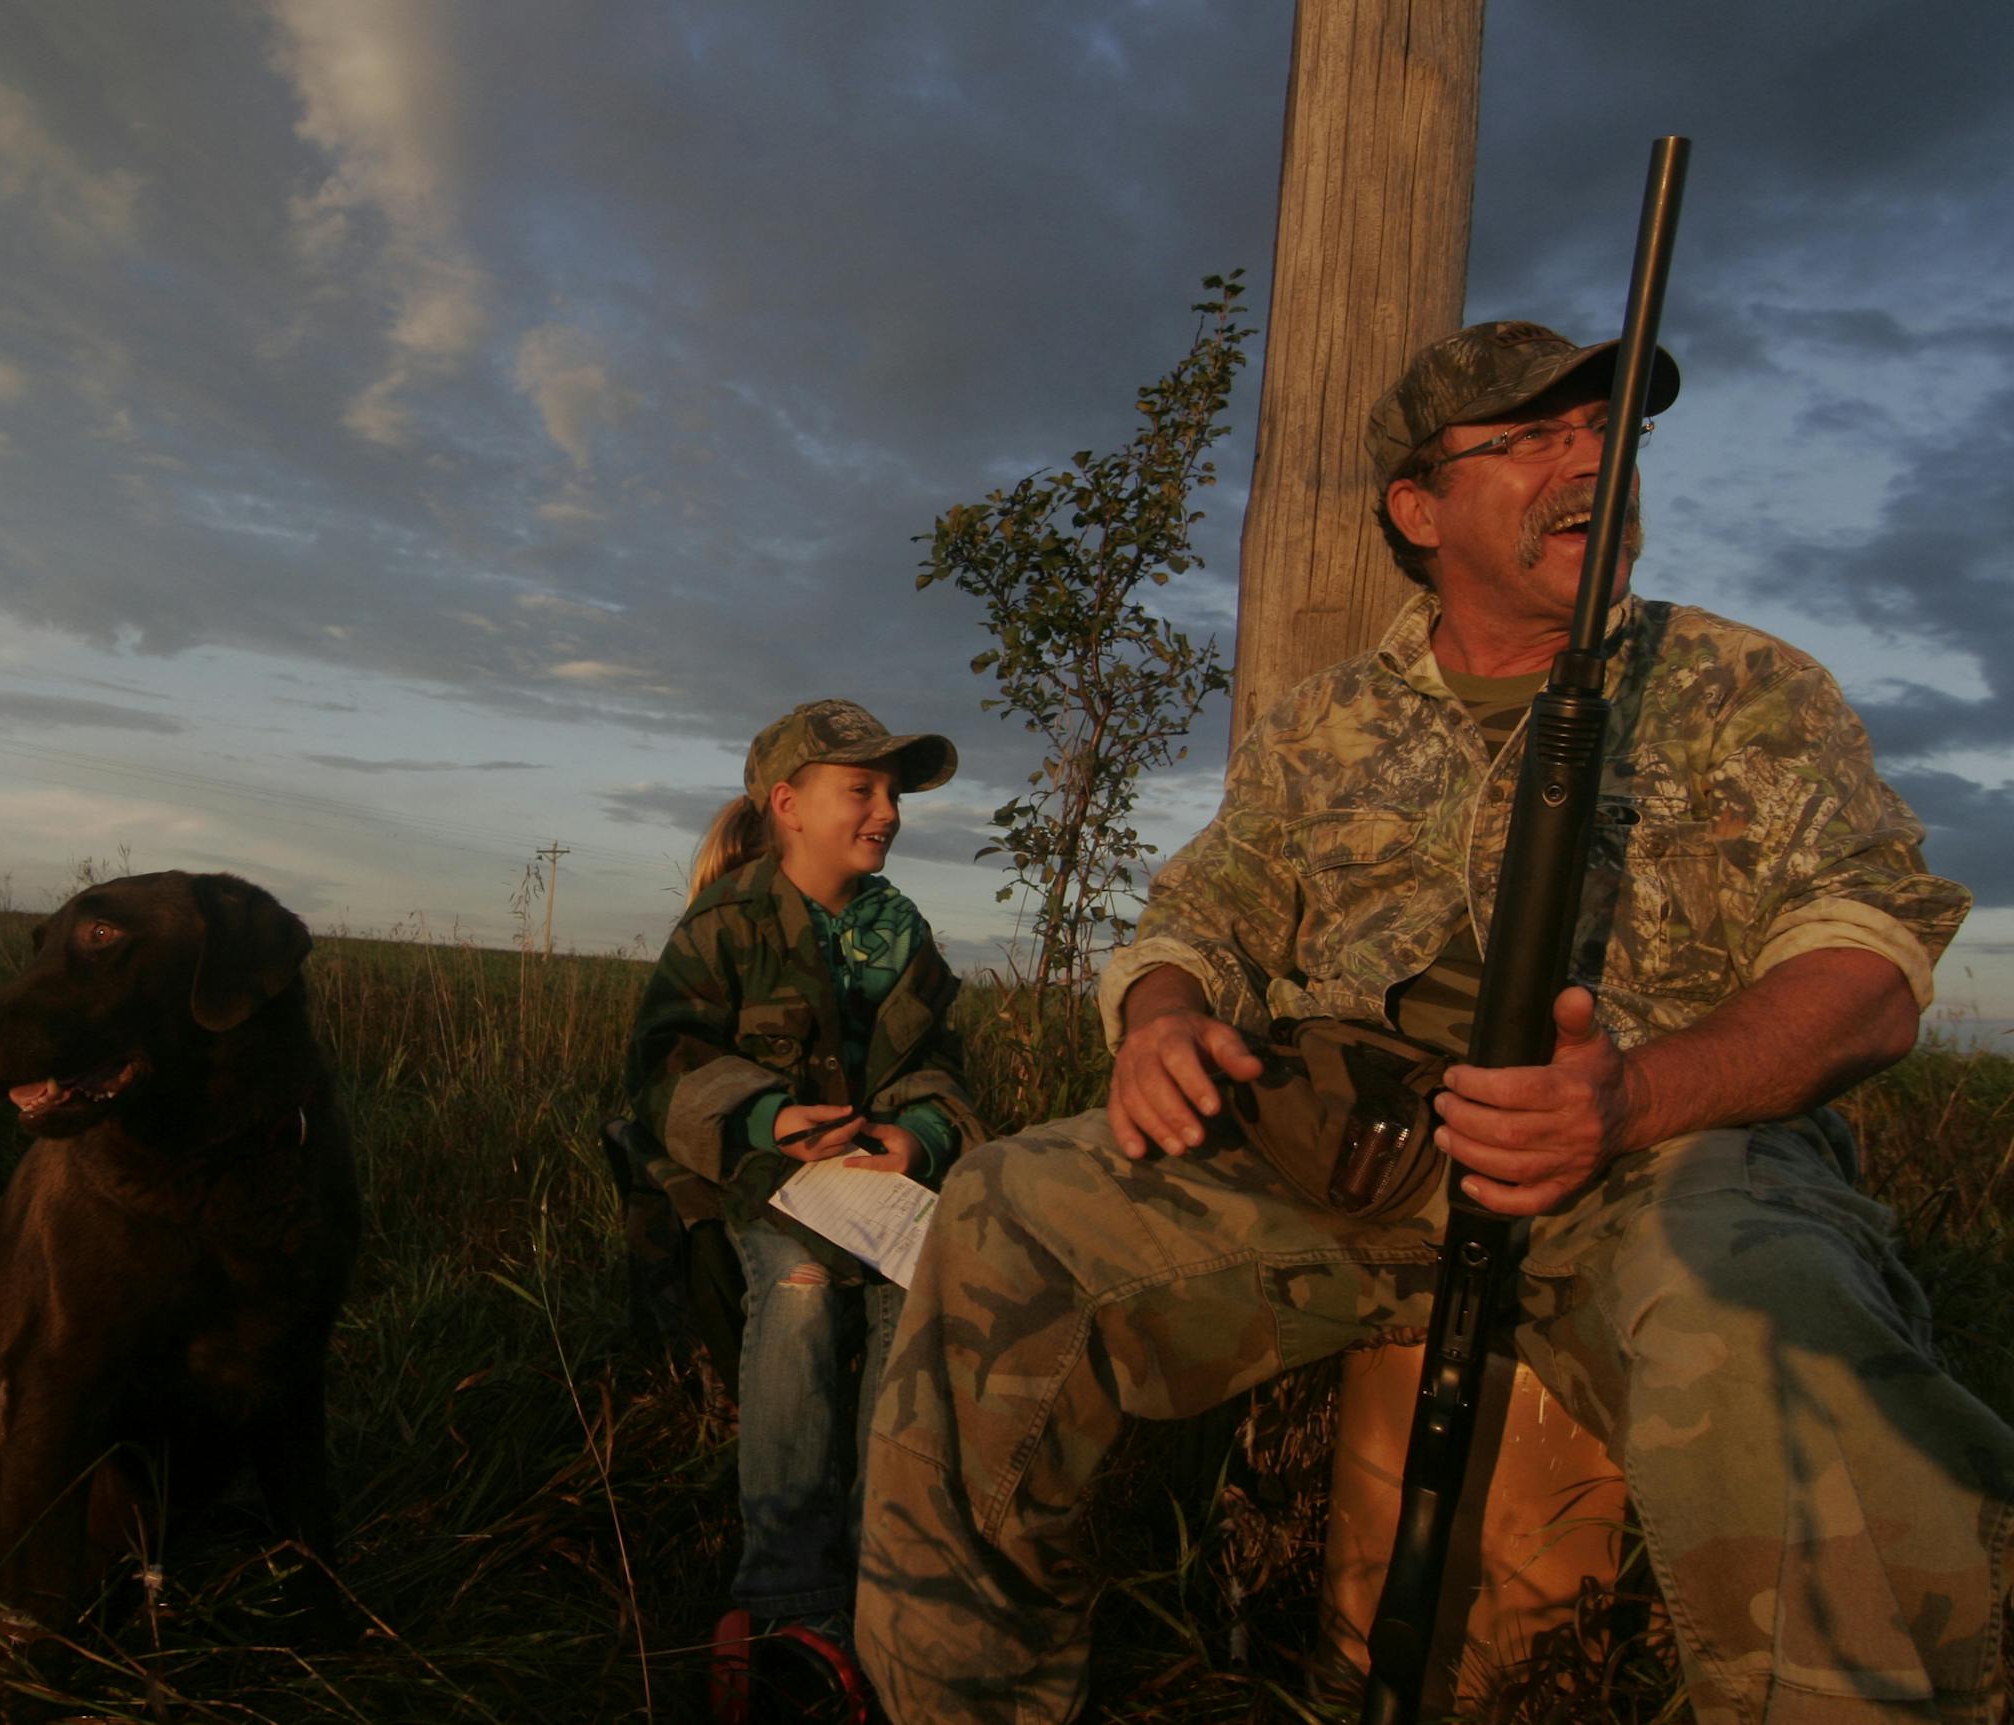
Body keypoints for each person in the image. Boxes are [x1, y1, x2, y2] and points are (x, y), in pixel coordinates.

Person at [855, 321, 2011, 1724]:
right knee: (1000, 1209)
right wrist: (1161, 1023)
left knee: (1768, 1321)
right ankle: (961, 1700)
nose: (1589, 462)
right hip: (1353, 1165)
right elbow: (1197, 924)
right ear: (1420, 508)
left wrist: (1632, 1099)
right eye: (1530, 439)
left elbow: (1867, 961)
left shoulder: (1745, 690)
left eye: (1608, 433)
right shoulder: (1320, 722)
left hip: (1658, 1158)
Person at [624, 697, 984, 1716]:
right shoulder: (727, 922)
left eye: (893, 793)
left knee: (910, 1295)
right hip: (753, 1180)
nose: (888, 812)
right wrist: (773, 1119)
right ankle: (785, 1594)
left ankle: (883, 1572)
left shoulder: (899, 930)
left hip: (874, 1186)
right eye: (862, 790)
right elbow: (662, 1063)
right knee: (801, 1281)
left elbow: (937, 1067)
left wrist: (917, 1138)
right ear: (787, 804)